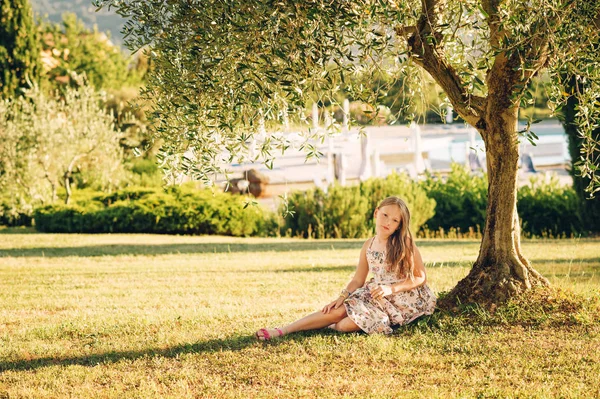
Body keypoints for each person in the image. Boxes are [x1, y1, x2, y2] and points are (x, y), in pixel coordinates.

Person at [255, 196, 436, 340]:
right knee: (338, 310)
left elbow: (420, 277)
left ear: (399, 226)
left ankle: (326, 323)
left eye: (395, 220)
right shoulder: (368, 245)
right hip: (377, 295)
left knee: (343, 326)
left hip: (402, 298)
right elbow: (358, 279)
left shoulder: (404, 243)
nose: (388, 222)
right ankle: (282, 330)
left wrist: (390, 289)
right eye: (385, 215)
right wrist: (342, 296)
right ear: (376, 213)